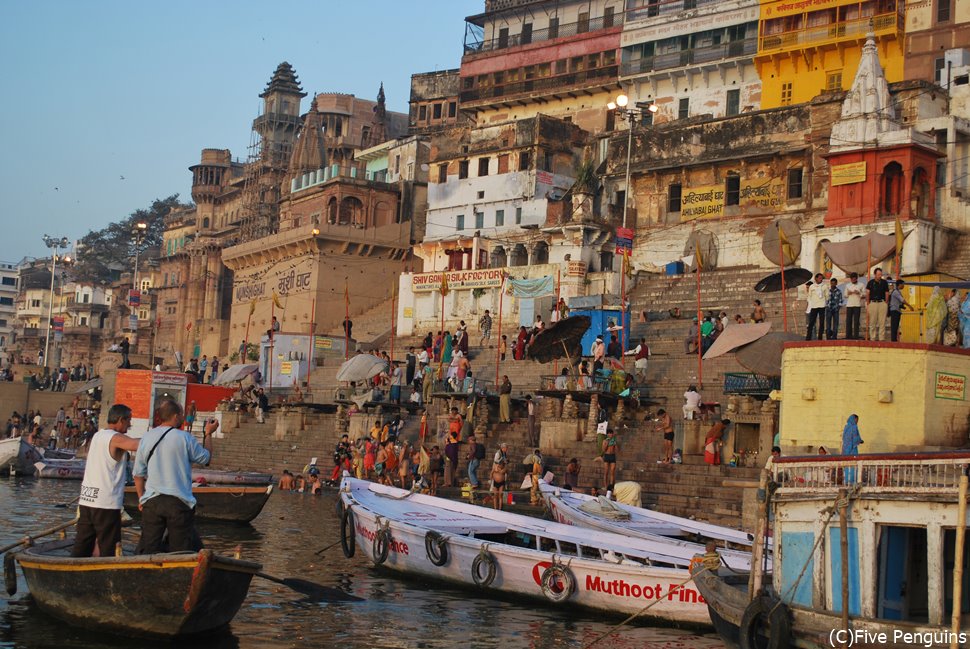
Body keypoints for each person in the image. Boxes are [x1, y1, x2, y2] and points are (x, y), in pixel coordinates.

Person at [133, 399, 217, 554]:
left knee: (147, 549)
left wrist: (141, 498)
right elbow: (206, 459)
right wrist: (209, 434)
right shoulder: (185, 438)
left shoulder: (147, 437)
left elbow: (138, 474)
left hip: (152, 502)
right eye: (181, 415)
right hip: (178, 502)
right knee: (180, 552)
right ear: (176, 416)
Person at [72, 404, 141, 558]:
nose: (130, 425)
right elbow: (138, 445)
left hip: (87, 500)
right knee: (108, 547)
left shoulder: (98, 435)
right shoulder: (115, 438)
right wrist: (162, 435)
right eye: (129, 421)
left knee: (82, 545)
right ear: (121, 420)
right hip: (105, 504)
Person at [865, 268, 890, 341]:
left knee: (882, 322)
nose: (880, 276)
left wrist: (886, 302)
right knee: (872, 322)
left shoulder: (884, 282)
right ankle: (872, 338)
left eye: (881, 274)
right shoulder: (870, 282)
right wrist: (868, 302)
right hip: (873, 303)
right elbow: (867, 293)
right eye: (878, 274)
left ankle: (881, 338)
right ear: (875, 274)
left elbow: (887, 292)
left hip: (882, 303)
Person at [841, 414, 863, 483]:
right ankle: (852, 481)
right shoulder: (854, 427)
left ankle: (846, 480)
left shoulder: (846, 427)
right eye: (856, 420)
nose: (857, 421)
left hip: (845, 449)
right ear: (854, 419)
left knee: (847, 464)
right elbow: (856, 438)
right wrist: (860, 441)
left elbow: (844, 438)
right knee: (853, 464)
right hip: (852, 449)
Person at [806, 273, 827, 341]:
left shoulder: (825, 286)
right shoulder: (812, 286)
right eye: (819, 278)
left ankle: (820, 337)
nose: (820, 279)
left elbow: (827, 295)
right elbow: (809, 296)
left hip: (822, 305)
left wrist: (824, 301)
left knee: (821, 322)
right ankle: (808, 337)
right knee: (811, 322)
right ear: (816, 278)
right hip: (814, 306)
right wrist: (811, 302)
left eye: (821, 278)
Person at [844, 272, 865, 339]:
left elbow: (864, 294)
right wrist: (848, 293)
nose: (853, 280)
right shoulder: (848, 285)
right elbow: (845, 295)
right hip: (849, 305)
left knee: (856, 321)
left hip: (857, 304)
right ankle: (848, 335)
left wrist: (859, 293)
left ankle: (856, 335)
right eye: (852, 279)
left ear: (857, 278)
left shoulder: (861, 285)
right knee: (848, 321)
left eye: (854, 279)